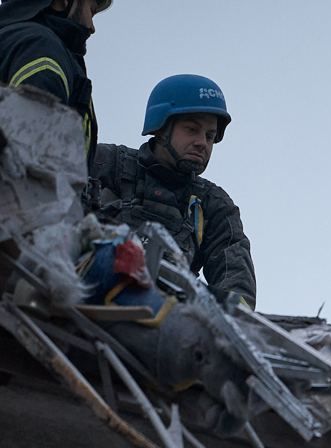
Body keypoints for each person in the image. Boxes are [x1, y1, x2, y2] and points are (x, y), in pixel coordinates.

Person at [91, 74, 256, 308]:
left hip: (165, 324)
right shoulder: (106, 163)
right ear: (161, 128)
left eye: (210, 136)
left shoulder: (213, 205)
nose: (203, 143)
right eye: (192, 130)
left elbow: (238, 291)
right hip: (83, 301)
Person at [0, 0, 106, 167]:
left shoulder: (14, 40)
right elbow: (34, 160)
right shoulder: (40, 48)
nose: (92, 28)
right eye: (91, 11)